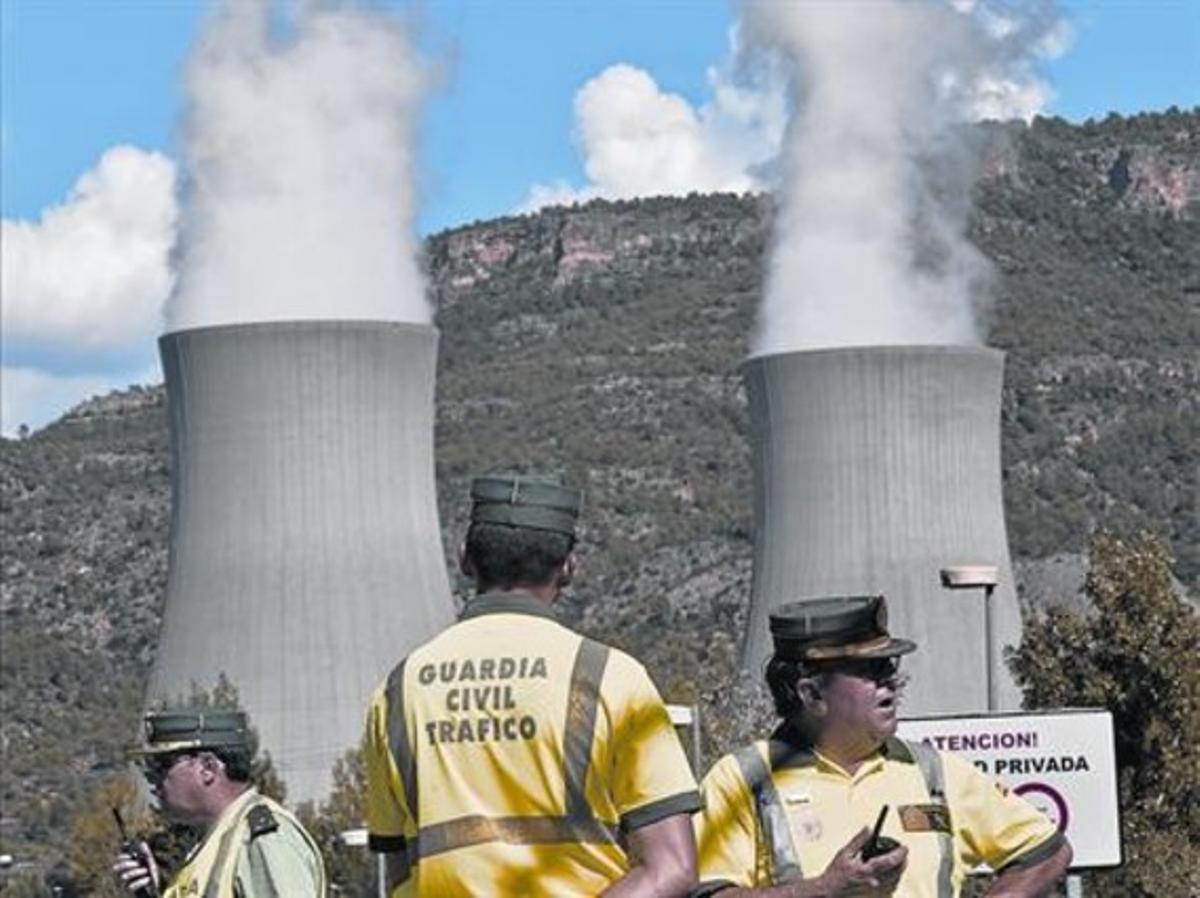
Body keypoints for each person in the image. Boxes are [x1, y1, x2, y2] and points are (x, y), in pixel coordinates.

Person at [363, 475, 702, 896]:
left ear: (465, 558)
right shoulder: (609, 677)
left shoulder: (396, 693)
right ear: (569, 568)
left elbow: (400, 870)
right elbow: (672, 867)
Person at [692, 595, 1072, 897]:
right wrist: (825, 890)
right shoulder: (743, 779)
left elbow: (1046, 852)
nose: (891, 680)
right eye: (871, 670)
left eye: (890, 665)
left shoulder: (933, 772)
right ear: (811, 693)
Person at [113, 709, 326, 898]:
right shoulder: (217, 842)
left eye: (162, 765)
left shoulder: (263, 839)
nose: (153, 780)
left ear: (208, 768)